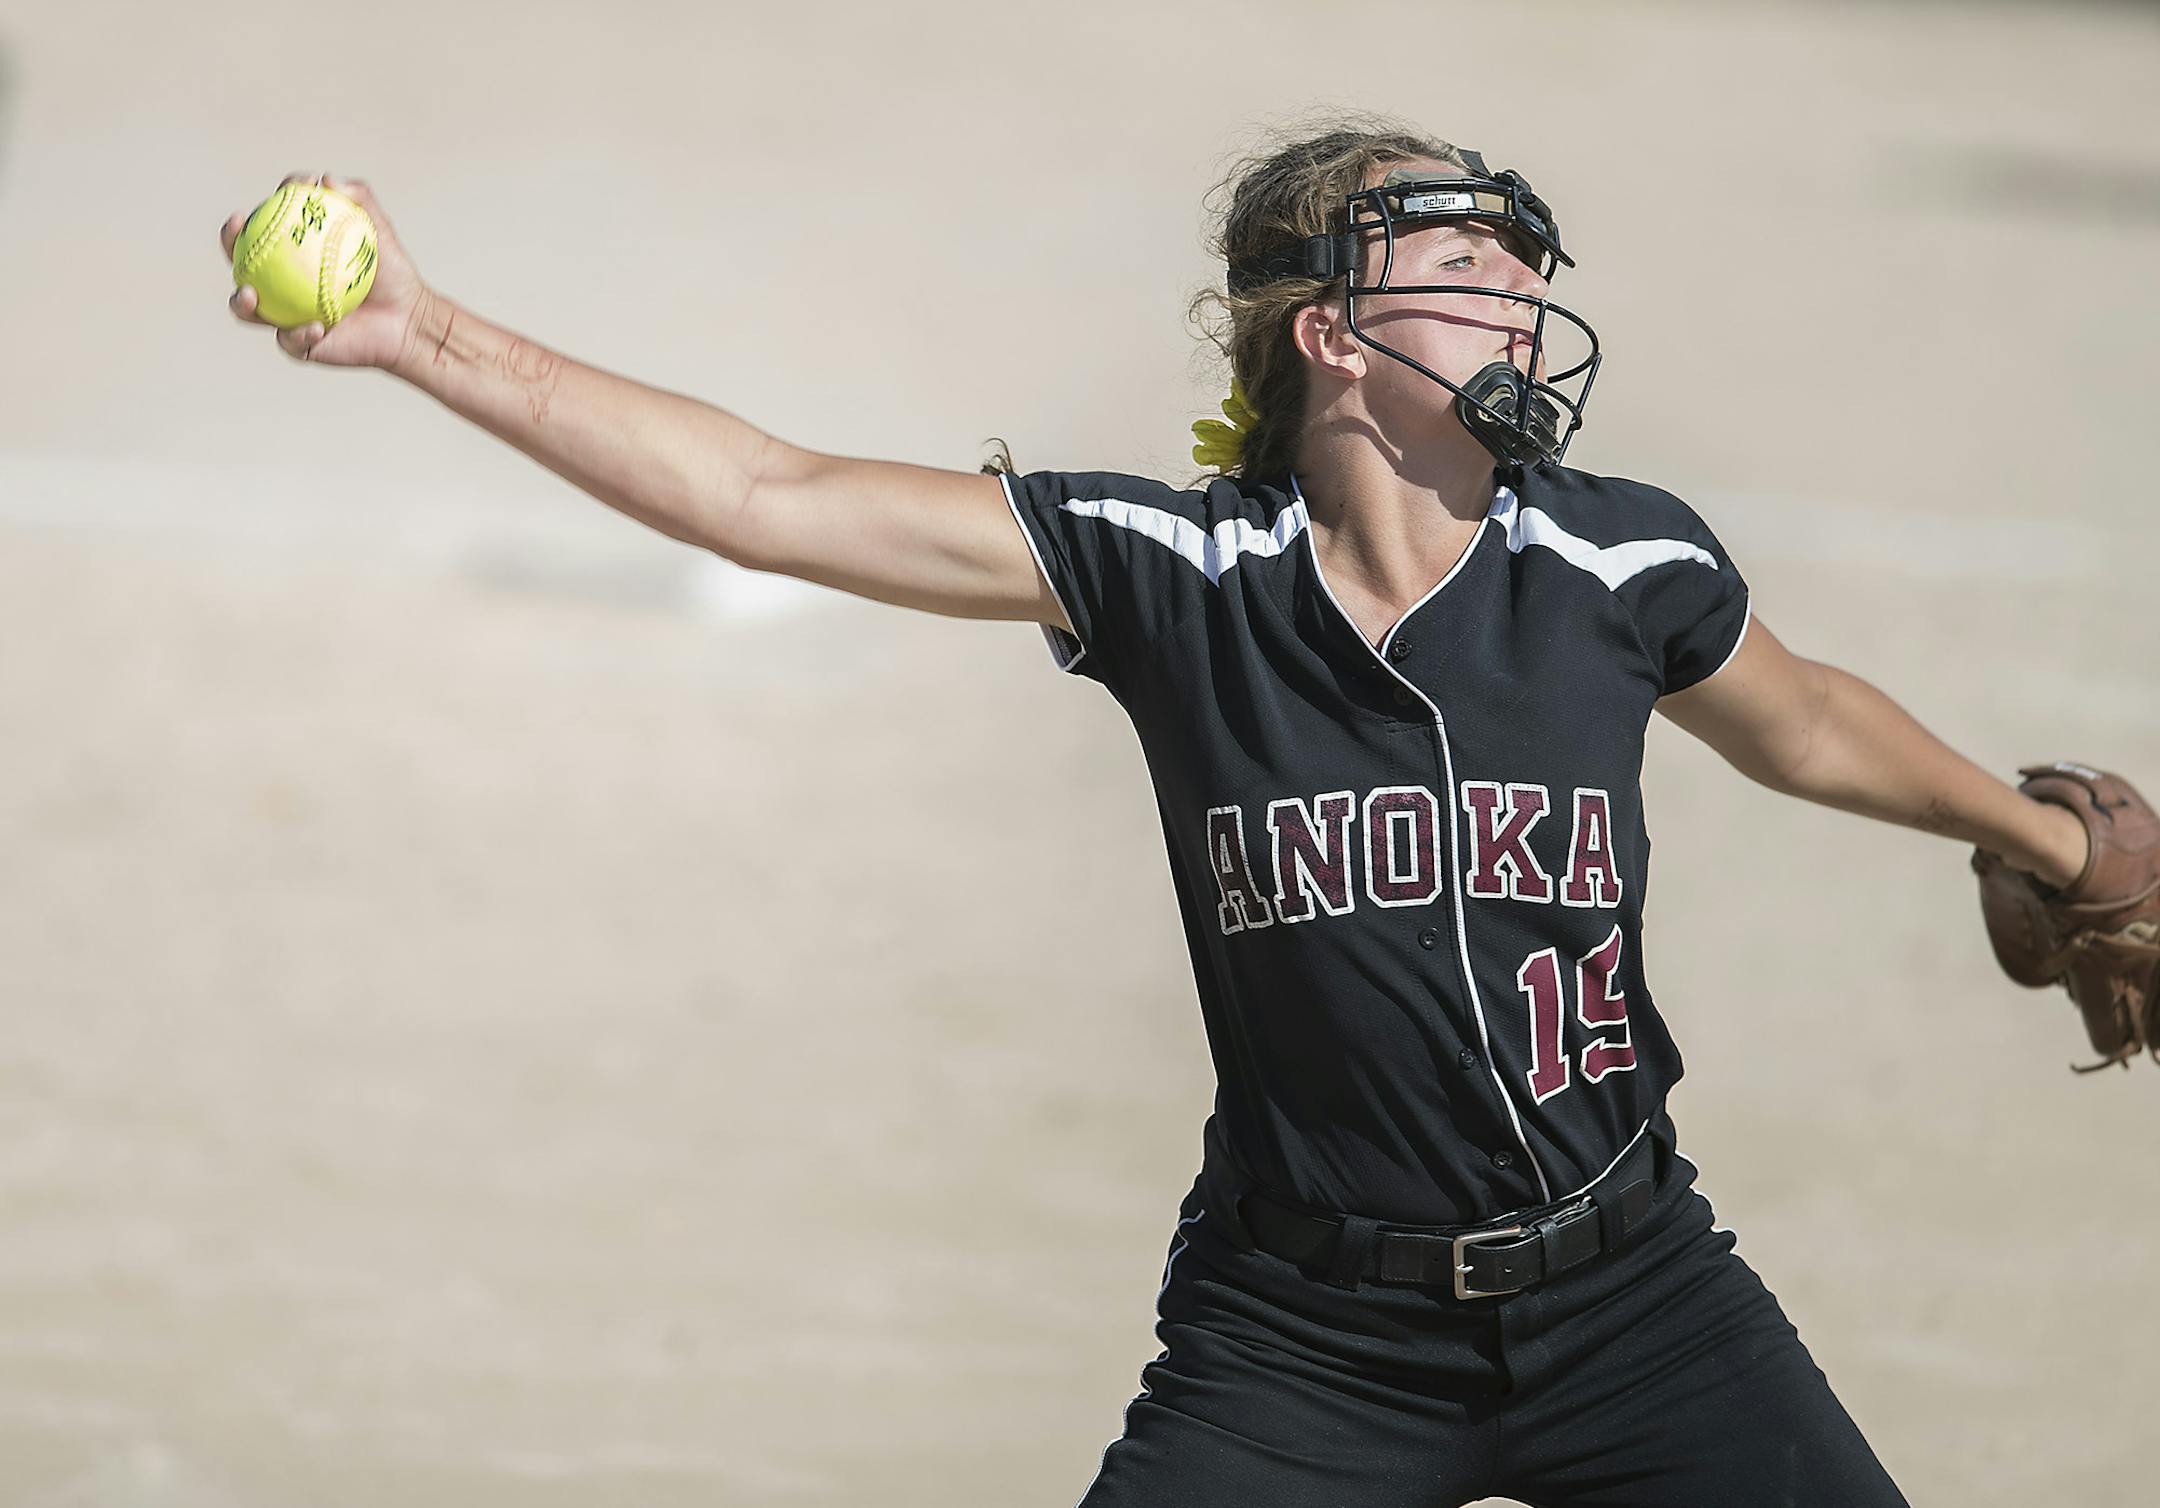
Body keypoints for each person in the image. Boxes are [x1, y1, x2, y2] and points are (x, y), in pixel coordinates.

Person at [220, 122, 2107, 1506]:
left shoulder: (1614, 559)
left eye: (1529, 270)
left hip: (1636, 1292)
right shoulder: (1177, 572)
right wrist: (423, 331)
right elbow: (766, 494)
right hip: (1302, 1340)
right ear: (1334, 338)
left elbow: (1806, 724)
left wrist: (2060, 853)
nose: (1526, 303)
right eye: (1469, 272)